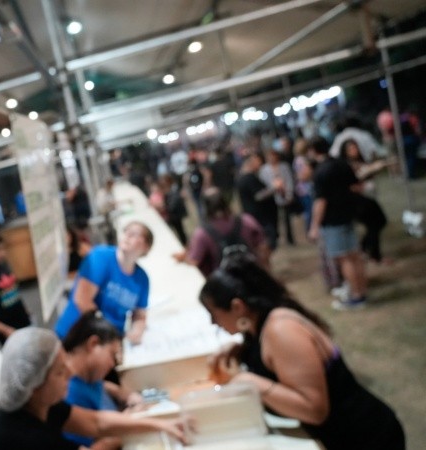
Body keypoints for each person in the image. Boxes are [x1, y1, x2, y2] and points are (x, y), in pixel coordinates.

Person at [199, 255, 405, 450]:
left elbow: (314, 411)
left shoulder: (282, 330)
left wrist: (250, 381)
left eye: (213, 314)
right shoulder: (259, 322)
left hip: (363, 438)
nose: (212, 323)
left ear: (237, 307)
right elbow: (266, 356)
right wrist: (239, 350)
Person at [0, 327, 186, 450]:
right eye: (60, 372)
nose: (70, 374)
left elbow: (96, 422)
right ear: (36, 385)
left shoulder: (39, 404)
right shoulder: (29, 438)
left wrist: (160, 424)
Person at [54, 221, 153, 344]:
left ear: (146, 247)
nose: (128, 235)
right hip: (76, 336)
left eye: (135, 234)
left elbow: (140, 314)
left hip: (108, 342)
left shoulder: (142, 279)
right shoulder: (100, 256)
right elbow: (82, 300)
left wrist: (137, 330)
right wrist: (114, 335)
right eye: (127, 231)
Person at [62, 312, 144, 449]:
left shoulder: (88, 373)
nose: (113, 363)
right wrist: (127, 423)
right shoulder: (68, 394)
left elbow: (100, 385)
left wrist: (121, 392)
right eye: (112, 354)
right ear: (93, 344)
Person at [307, 137, 368, 309]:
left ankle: (357, 296)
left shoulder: (320, 172)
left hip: (333, 220)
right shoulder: (341, 164)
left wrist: (314, 226)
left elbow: (321, 201)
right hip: (348, 215)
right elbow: (357, 186)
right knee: (355, 256)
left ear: (313, 150)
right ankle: (361, 291)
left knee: (344, 258)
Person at [174, 187, 269, 277]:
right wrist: (265, 270)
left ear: (205, 208)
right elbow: (263, 247)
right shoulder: (246, 220)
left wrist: (182, 259)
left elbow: (194, 261)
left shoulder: (202, 234)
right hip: (251, 275)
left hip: (226, 285)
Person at [338, 139, 390, 264]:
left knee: (378, 223)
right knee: (375, 224)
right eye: (350, 149)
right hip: (360, 201)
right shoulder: (345, 166)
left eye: (355, 147)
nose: (354, 150)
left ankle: (367, 250)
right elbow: (349, 185)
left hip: (368, 197)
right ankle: (372, 254)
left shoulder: (359, 161)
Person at [237, 152, 278, 250]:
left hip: (258, 216)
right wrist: (274, 188)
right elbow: (259, 196)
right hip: (261, 218)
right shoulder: (249, 178)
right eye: (258, 161)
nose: (260, 164)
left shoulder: (245, 177)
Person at [259, 149, 296, 246]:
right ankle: (275, 236)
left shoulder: (284, 167)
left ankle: (290, 238)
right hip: (272, 197)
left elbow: (289, 180)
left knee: (287, 218)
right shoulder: (264, 170)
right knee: (274, 218)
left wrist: (289, 193)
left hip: (284, 195)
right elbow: (263, 184)